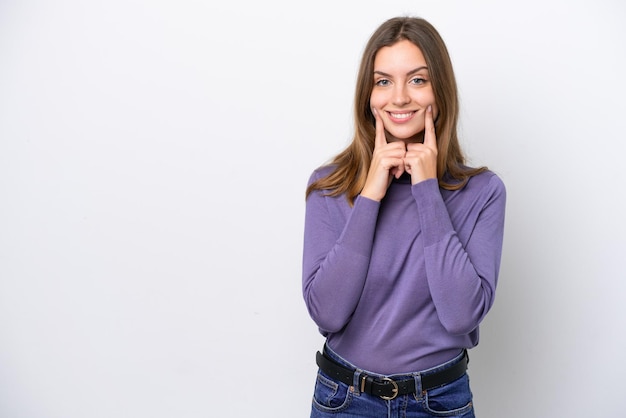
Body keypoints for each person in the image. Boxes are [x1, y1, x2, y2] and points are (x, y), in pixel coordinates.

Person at [302, 16, 506, 417]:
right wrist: (371, 194)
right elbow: (327, 312)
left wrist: (428, 192)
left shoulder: (483, 193)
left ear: (439, 91)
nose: (398, 98)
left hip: (439, 402)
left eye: (417, 80)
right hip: (344, 400)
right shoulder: (328, 186)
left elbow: (461, 314)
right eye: (383, 81)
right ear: (368, 95)